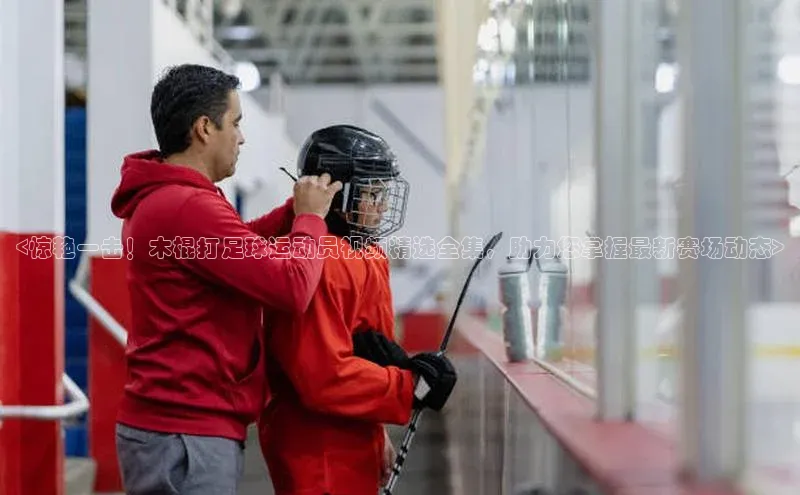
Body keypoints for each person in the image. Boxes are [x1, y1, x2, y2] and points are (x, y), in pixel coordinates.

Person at [109, 63, 342, 495]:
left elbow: (233, 247)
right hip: (186, 436)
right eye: (235, 122)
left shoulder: (167, 198)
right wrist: (310, 220)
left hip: (175, 430)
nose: (242, 137)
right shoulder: (188, 207)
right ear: (204, 128)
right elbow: (292, 288)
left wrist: (292, 212)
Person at [257, 124, 458, 495]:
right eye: (373, 193)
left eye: (384, 193)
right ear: (337, 195)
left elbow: (367, 353)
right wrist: (407, 387)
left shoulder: (369, 254)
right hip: (317, 448)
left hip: (353, 437)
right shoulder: (316, 260)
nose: (383, 206)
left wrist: (377, 428)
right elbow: (322, 378)